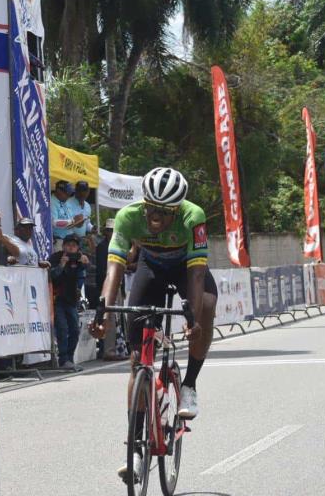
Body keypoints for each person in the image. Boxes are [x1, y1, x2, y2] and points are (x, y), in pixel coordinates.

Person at [88, 167, 217, 483]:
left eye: (163, 211)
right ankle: (134, 448)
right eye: (150, 207)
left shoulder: (193, 216)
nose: (155, 215)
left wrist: (194, 317)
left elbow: (198, 274)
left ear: (176, 209)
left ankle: (189, 384)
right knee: (138, 362)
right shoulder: (128, 217)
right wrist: (103, 312)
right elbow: (114, 270)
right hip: (151, 268)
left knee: (208, 306)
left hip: (186, 266)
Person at [48, 235, 89, 370]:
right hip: (57, 299)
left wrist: (85, 263)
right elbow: (51, 276)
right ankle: (63, 359)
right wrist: (61, 265)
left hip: (71, 300)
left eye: (74, 245)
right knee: (62, 328)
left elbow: (84, 272)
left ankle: (70, 359)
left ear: (77, 248)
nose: (71, 247)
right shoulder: (55, 257)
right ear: (63, 246)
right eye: (69, 244)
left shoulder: (78, 258)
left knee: (75, 330)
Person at [94, 219, 127, 361]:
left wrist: (122, 287)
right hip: (107, 286)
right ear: (106, 232)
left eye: (114, 230)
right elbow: (103, 271)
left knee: (118, 319)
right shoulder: (102, 247)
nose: (112, 233)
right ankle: (109, 350)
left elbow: (121, 268)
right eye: (110, 230)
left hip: (118, 284)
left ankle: (118, 348)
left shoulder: (119, 246)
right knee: (110, 318)